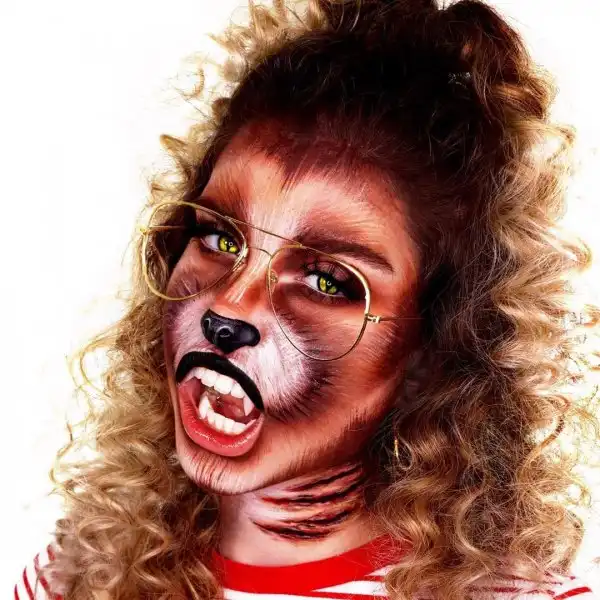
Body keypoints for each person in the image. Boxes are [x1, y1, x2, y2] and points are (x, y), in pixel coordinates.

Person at [15, 0, 600, 598]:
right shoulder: (73, 576)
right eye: (219, 238)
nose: (229, 308)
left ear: (432, 347)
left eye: (327, 280)